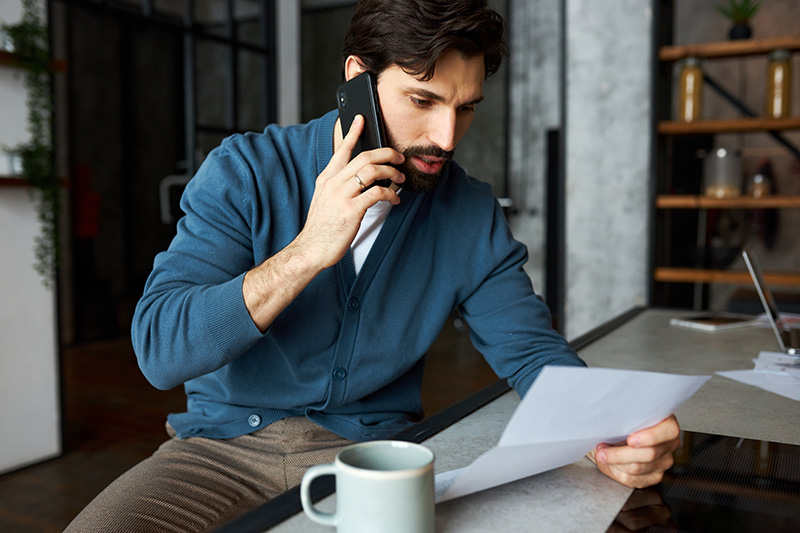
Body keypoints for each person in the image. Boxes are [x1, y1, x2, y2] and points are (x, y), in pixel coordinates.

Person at [66, 1, 679, 531]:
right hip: (216, 456)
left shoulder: (467, 211)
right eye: (423, 99)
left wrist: (616, 432)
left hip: (374, 462)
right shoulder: (247, 171)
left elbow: (532, 353)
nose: (445, 137)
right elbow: (159, 351)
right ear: (357, 77)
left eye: (465, 108)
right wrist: (310, 248)